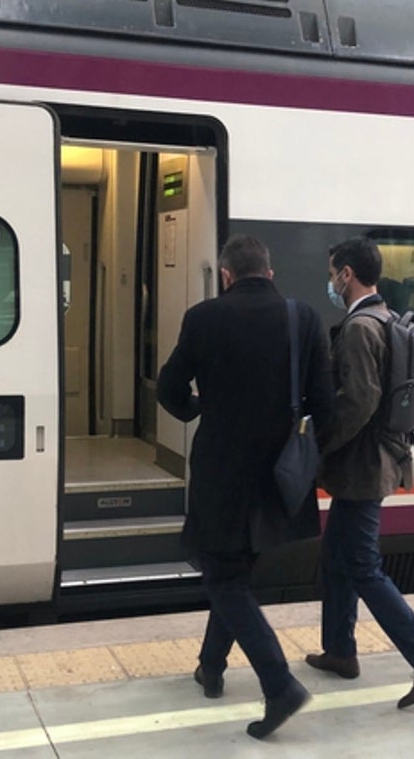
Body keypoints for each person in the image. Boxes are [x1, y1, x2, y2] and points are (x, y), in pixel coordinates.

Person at [158, 234, 333, 739]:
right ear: (271, 273)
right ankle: (210, 667)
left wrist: (198, 409)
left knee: (223, 579)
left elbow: (171, 389)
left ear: (227, 275)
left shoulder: (204, 317)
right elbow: (326, 406)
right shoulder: (304, 319)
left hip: (222, 472)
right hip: (279, 474)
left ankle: (279, 685)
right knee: (235, 574)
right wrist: (307, 462)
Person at [306, 236, 414, 709]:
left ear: (347, 274)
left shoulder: (359, 328)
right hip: (377, 459)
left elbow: (360, 401)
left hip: (362, 465)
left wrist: (318, 445)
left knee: (363, 566)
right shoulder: (386, 317)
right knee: (337, 557)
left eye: (334, 272)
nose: (331, 281)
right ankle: (340, 651)